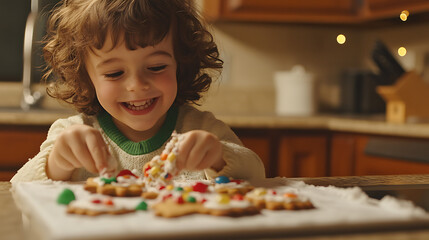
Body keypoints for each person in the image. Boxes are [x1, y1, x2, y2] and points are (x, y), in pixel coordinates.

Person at [11, 0, 265, 183]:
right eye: (114, 73)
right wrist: (57, 163)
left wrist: (219, 157)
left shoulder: (202, 128)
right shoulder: (72, 134)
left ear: (180, 64)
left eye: (156, 67)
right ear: (86, 78)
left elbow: (256, 174)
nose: (137, 85)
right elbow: (18, 189)